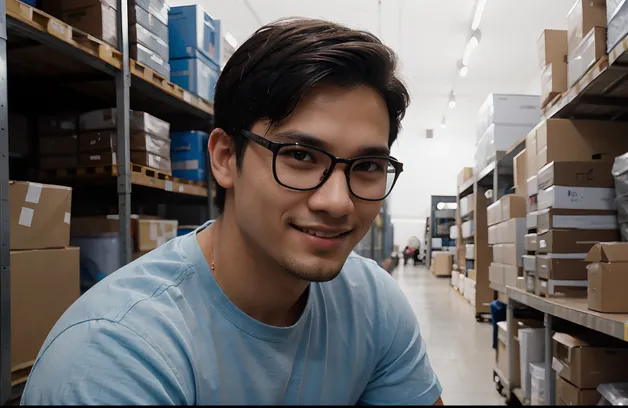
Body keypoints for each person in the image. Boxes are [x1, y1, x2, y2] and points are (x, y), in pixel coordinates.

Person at [22, 18, 442, 405]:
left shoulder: (373, 303)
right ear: (225, 158)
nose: (337, 202)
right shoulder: (116, 356)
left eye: (367, 167)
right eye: (299, 155)